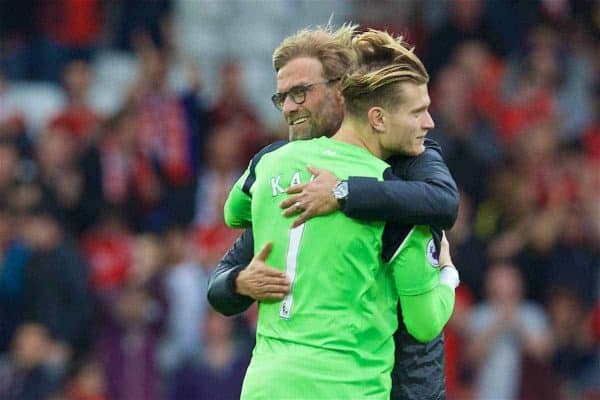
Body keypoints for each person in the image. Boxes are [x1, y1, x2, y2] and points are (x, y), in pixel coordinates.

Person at [208, 24, 459, 399]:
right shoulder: (288, 169)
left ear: (341, 90)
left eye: (300, 93)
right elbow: (223, 277)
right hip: (354, 383)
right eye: (282, 98)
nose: (290, 107)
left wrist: (342, 193)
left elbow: (444, 202)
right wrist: (239, 281)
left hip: (401, 381)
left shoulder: (411, 153)